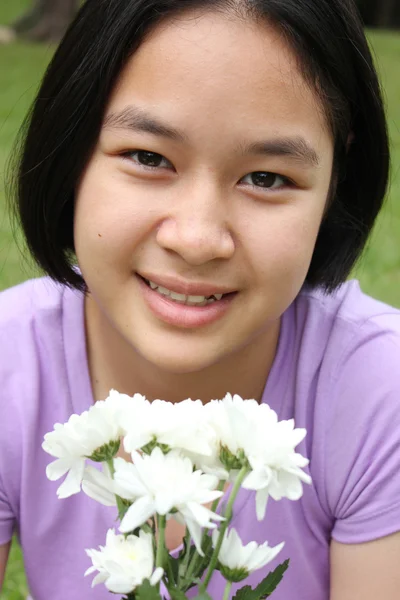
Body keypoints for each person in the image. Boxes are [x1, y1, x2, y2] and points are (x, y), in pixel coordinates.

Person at [0, 0, 399, 598]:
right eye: (148, 157)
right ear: (71, 150)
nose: (197, 239)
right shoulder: (11, 369)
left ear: (334, 180)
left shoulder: (378, 394)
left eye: (266, 178)